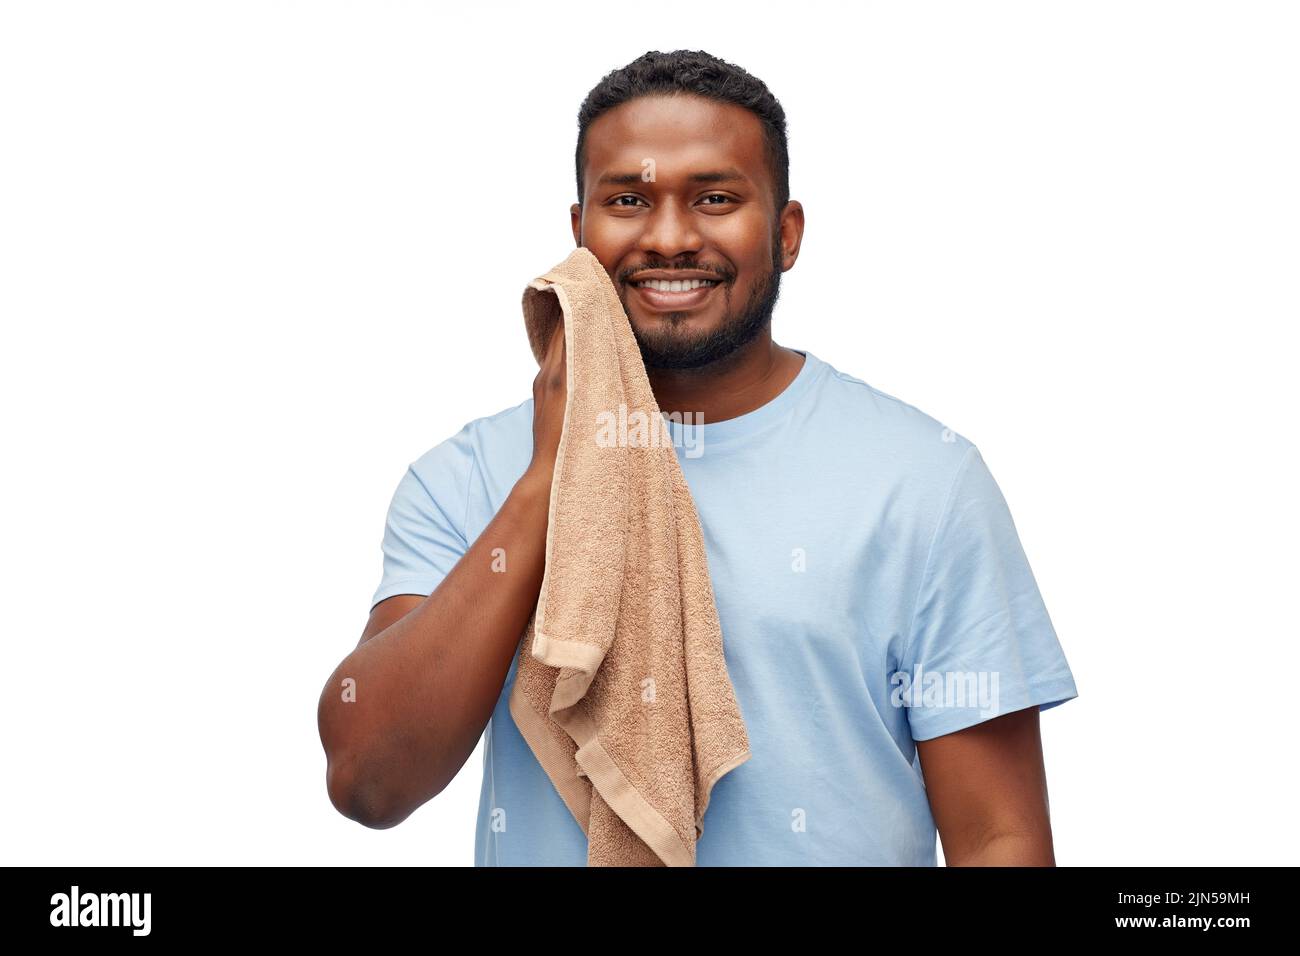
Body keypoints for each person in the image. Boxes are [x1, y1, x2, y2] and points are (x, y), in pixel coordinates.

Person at [317, 49, 1078, 866]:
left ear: (785, 234)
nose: (671, 237)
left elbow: (999, 837)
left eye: (715, 199)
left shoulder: (924, 481)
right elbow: (369, 779)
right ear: (579, 234)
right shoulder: (466, 478)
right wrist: (550, 478)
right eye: (628, 200)